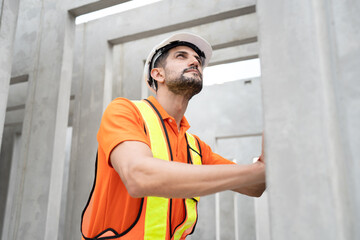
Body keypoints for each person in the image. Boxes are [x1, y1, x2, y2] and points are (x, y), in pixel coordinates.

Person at [81, 32, 266, 240]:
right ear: (158, 74)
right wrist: (258, 171)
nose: (195, 61)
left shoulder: (195, 147)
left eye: (198, 60)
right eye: (181, 56)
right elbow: (138, 176)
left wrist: (274, 132)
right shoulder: (125, 111)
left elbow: (255, 185)